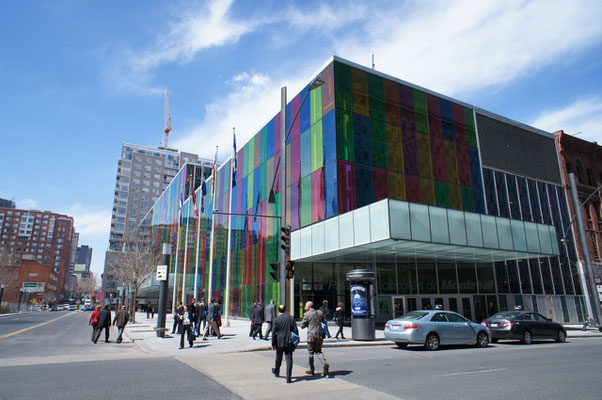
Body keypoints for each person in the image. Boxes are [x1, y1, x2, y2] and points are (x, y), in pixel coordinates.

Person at [272, 304, 299, 384]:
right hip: (289, 341)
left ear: (278, 310)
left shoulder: (276, 319)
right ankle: (288, 376)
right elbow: (295, 331)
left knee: (278, 357)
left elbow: (273, 332)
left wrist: (273, 343)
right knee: (289, 359)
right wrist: (295, 341)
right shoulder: (291, 318)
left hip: (279, 341)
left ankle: (277, 371)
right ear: (285, 310)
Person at [301, 301, 329, 377]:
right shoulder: (319, 313)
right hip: (319, 335)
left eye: (305, 306)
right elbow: (323, 322)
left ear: (308, 307)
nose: (305, 307)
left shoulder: (306, 314)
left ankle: (312, 369)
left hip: (311, 336)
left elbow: (302, 325)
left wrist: (306, 324)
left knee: (310, 352)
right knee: (319, 351)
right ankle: (324, 363)